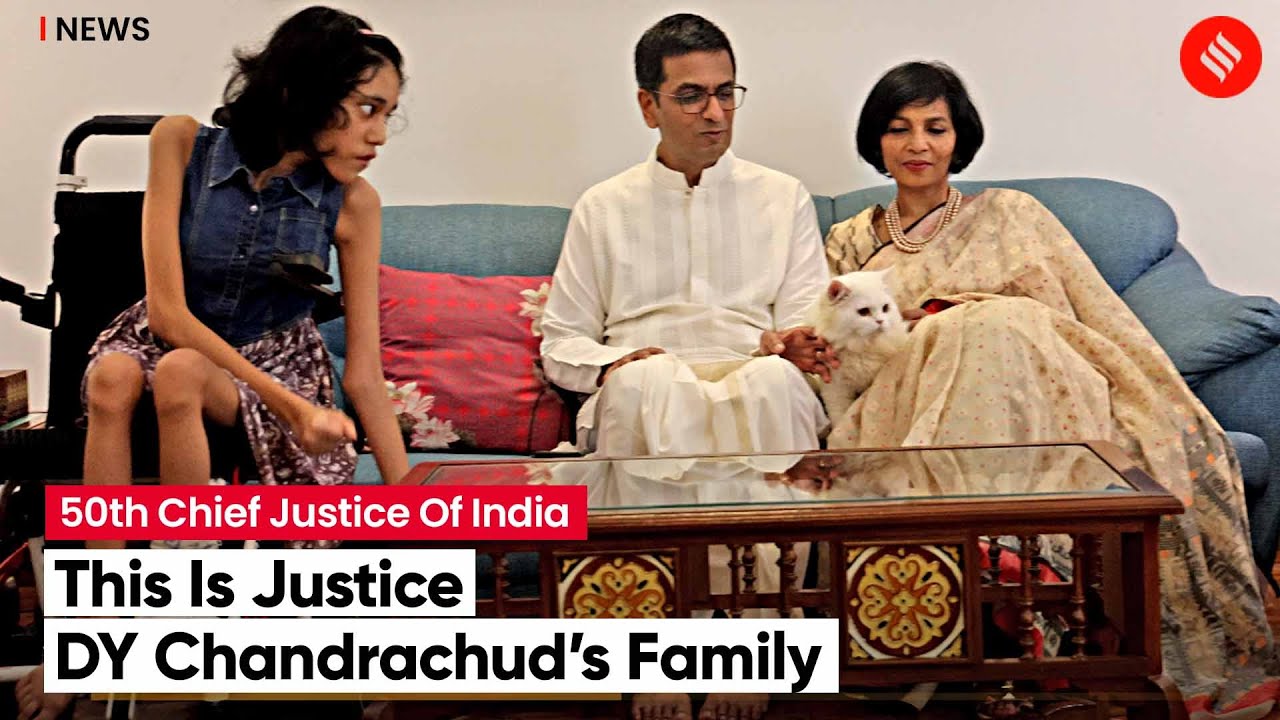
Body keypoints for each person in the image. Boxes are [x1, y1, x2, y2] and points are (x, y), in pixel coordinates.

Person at [823, 60, 1278, 718]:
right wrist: (935, 330)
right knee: (965, 330)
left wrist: (967, 314)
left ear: (959, 137)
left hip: (1035, 376)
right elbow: (842, 350)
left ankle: (1010, 580)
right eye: (899, 129)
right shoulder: (848, 242)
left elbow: (1078, 309)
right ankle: (999, 593)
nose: (918, 144)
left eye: (935, 128)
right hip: (909, 393)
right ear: (877, 140)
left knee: (994, 324)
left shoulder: (1011, 214)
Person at [16, 6, 408, 720]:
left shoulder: (354, 204)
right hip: (164, 336)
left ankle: (178, 597)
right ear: (301, 92)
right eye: (366, 108)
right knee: (112, 376)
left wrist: (416, 510)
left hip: (273, 363)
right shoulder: (179, 143)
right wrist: (296, 412)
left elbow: (363, 377)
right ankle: (88, 637)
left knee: (179, 374)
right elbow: (168, 315)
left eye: (387, 112)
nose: (380, 133)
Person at [538, 13, 828, 720]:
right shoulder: (603, 207)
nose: (716, 112)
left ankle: (755, 647)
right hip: (645, 374)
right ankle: (656, 649)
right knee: (649, 385)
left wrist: (794, 344)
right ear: (649, 105)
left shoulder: (782, 195)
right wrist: (614, 363)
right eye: (692, 95)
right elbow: (562, 340)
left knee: (773, 385)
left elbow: (804, 320)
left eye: (727, 92)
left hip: (750, 366)